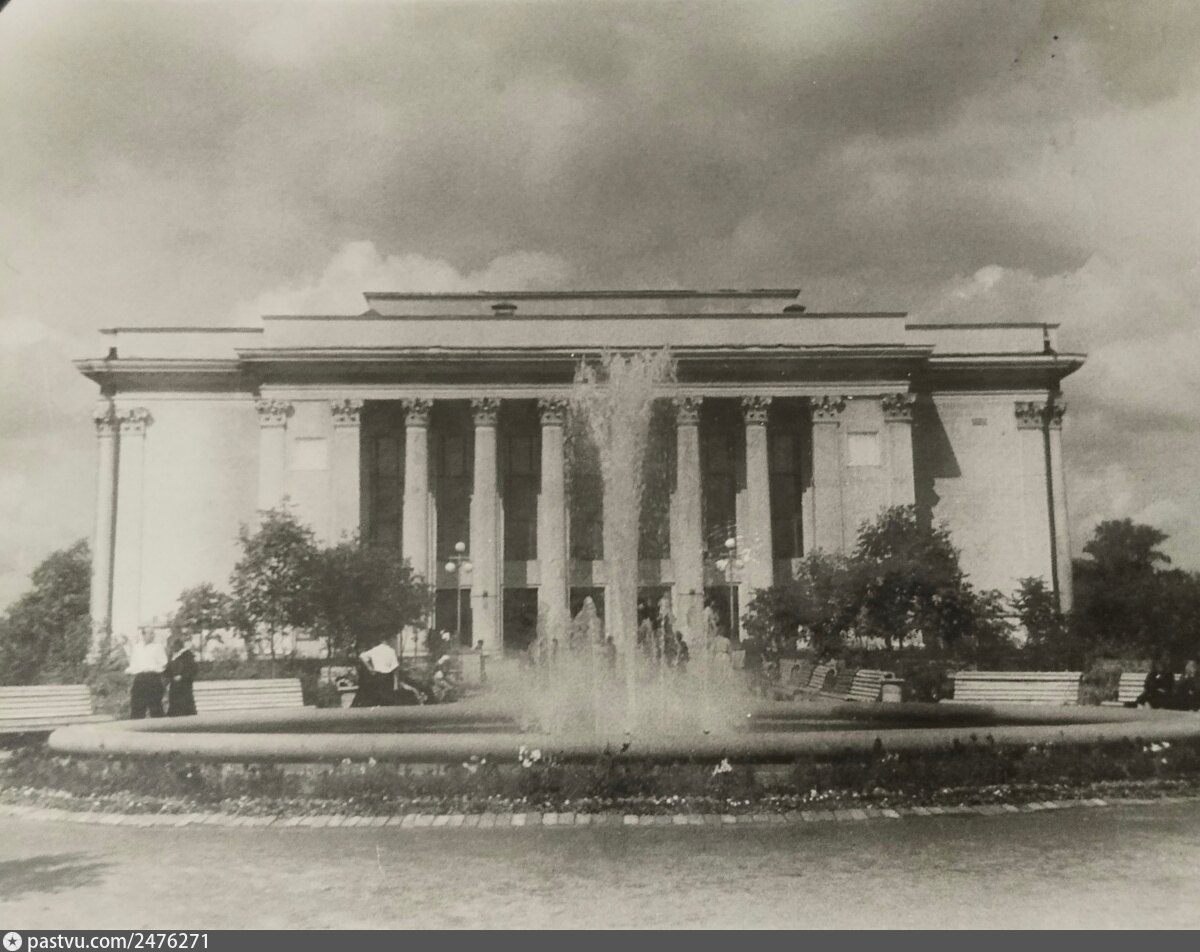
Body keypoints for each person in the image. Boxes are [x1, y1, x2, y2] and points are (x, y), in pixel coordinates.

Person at [127, 628, 167, 719]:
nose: (153, 635)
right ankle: (136, 726)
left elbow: (163, 663)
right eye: (150, 633)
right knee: (137, 706)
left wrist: (152, 668)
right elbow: (133, 663)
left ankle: (159, 726)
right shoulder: (137, 648)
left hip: (153, 678)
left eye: (153, 633)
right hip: (140, 678)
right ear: (143, 635)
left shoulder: (158, 647)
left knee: (155, 706)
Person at [352, 634, 401, 707]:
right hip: (387, 677)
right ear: (389, 640)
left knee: (377, 699)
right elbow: (395, 668)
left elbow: (362, 656)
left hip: (377, 676)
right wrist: (396, 684)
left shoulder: (375, 650)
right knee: (388, 700)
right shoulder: (391, 651)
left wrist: (370, 668)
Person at [164, 635, 197, 716]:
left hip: (184, 685)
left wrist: (182, 676)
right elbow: (168, 670)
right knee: (175, 706)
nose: (171, 648)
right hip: (174, 685)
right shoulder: (172, 656)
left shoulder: (187, 655)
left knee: (185, 706)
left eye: (172, 646)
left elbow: (193, 670)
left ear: (178, 645)